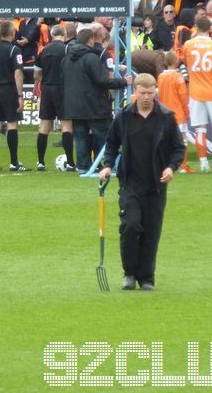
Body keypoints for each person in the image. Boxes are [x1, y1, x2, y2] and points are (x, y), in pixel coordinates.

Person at [99, 73, 186, 291]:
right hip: (130, 183)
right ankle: (129, 273)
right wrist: (108, 165)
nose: (147, 97)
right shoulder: (124, 116)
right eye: (142, 92)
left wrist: (171, 167)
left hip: (156, 185)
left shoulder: (166, 117)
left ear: (155, 91)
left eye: (150, 92)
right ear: (135, 92)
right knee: (130, 225)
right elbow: (111, 143)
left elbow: (179, 148)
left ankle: (147, 277)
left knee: (151, 231)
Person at [62, 28, 132, 173]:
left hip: (73, 105)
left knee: (80, 137)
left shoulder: (66, 59)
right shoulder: (91, 58)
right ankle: (110, 165)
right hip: (94, 105)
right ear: (91, 40)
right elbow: (103, 80)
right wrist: (123, 82)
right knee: (104, 137)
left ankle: (83, 166)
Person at [181, 16, 212, 172]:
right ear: (210, 28)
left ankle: (203, 164)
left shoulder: (188, 45)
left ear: (195, 27)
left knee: (200, 128)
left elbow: (186, 63)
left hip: (195, 91)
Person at [0, 21, 26, 172]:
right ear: (12, 33)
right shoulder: (15, 50)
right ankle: (14, 162)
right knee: (12, 124)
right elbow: (18, 73)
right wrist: (20, 95)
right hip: (10, 90)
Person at [33, 24, 72, 171]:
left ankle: (41, 162)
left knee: (44, 125)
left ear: (51, 35)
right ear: (65, 35)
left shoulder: (44, 51)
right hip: (62, 89)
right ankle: (70, 162)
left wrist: (45, 79)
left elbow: (36, 74)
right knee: (66, 124)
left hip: (47, 89)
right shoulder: (67, 49)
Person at [157, 51, 192, 173]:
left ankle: (166, 164)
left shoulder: (161, 77)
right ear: (176, 62)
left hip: (165, 113)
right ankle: (183, 165)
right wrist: (186, 111)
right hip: (178, 113)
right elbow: (183, 96)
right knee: (182, 140)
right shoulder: (178, 77)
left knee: (166, 140)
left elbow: (160, 95)